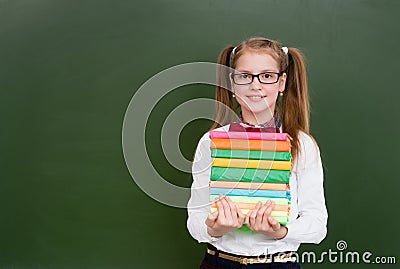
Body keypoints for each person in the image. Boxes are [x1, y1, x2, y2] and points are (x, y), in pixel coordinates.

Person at [187, 37, 328, 269]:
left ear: (281, 82)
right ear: (232, 83)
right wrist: (215, 229)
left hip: (278, 263)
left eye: (267, 76)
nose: (255, 85)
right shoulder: (211, 143)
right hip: (219, 262)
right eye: (245, 76)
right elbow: (194, 221)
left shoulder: (302, 145)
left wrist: (281, 232)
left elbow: (317, 225)